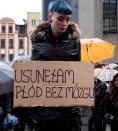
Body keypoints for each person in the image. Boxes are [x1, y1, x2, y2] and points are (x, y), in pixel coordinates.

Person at [29, 0, 81, 130]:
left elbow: (77, 75)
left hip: (69, 115)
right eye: (60, 19)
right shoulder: (38, 42)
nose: (64, 24)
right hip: (44, 116)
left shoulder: (75, 43)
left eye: (68, 20)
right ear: (50, 17)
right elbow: (35, 77)